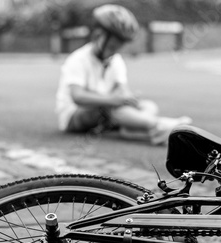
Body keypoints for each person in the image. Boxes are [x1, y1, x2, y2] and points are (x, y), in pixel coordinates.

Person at [55, 4, 192, 145]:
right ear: (98, 35)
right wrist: (114, 100)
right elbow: (78, 97)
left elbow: (122, 90)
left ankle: (134, 131)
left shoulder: (116, 60)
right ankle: (158, 125)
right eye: (112, 47)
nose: (114, 51)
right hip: (74, 116)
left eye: (118, 47)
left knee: (148, 106)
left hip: (107, 111)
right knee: (110, 108)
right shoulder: (78, 59)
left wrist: (128, 99)